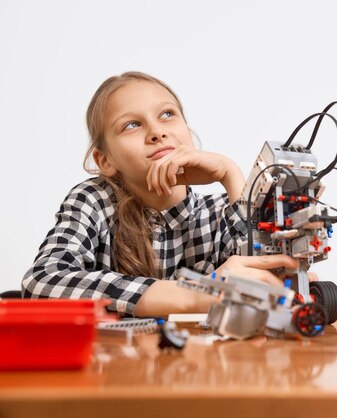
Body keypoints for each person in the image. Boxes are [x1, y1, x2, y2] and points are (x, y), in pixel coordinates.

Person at [22, 72, 298, 317]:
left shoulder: (221, 213)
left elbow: (276, 290)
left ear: (187, 132)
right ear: (105, 161)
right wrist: (195, 295)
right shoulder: (94, 201)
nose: (157, 132)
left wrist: (230, 174)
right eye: (131, 125)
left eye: (167, 114)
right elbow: (42, 282)